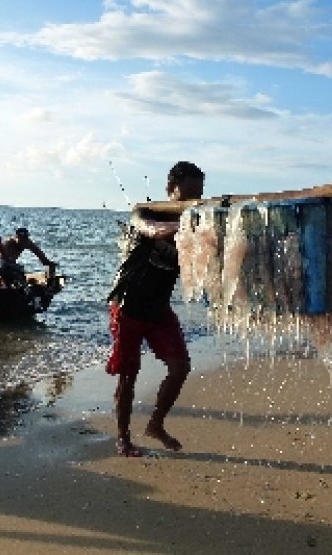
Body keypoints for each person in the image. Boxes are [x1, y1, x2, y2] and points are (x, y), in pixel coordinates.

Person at [105, 161, 205, 457]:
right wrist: (184, 227)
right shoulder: (145, 212)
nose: (192, 202)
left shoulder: (197, 221)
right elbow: (150, 230)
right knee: (128, 375)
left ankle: (155, 425)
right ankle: (123, 437)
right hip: (128, 306)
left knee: (180, 367)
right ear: (170, 188)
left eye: (198, 195)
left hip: (159, 309)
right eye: (186, 195)